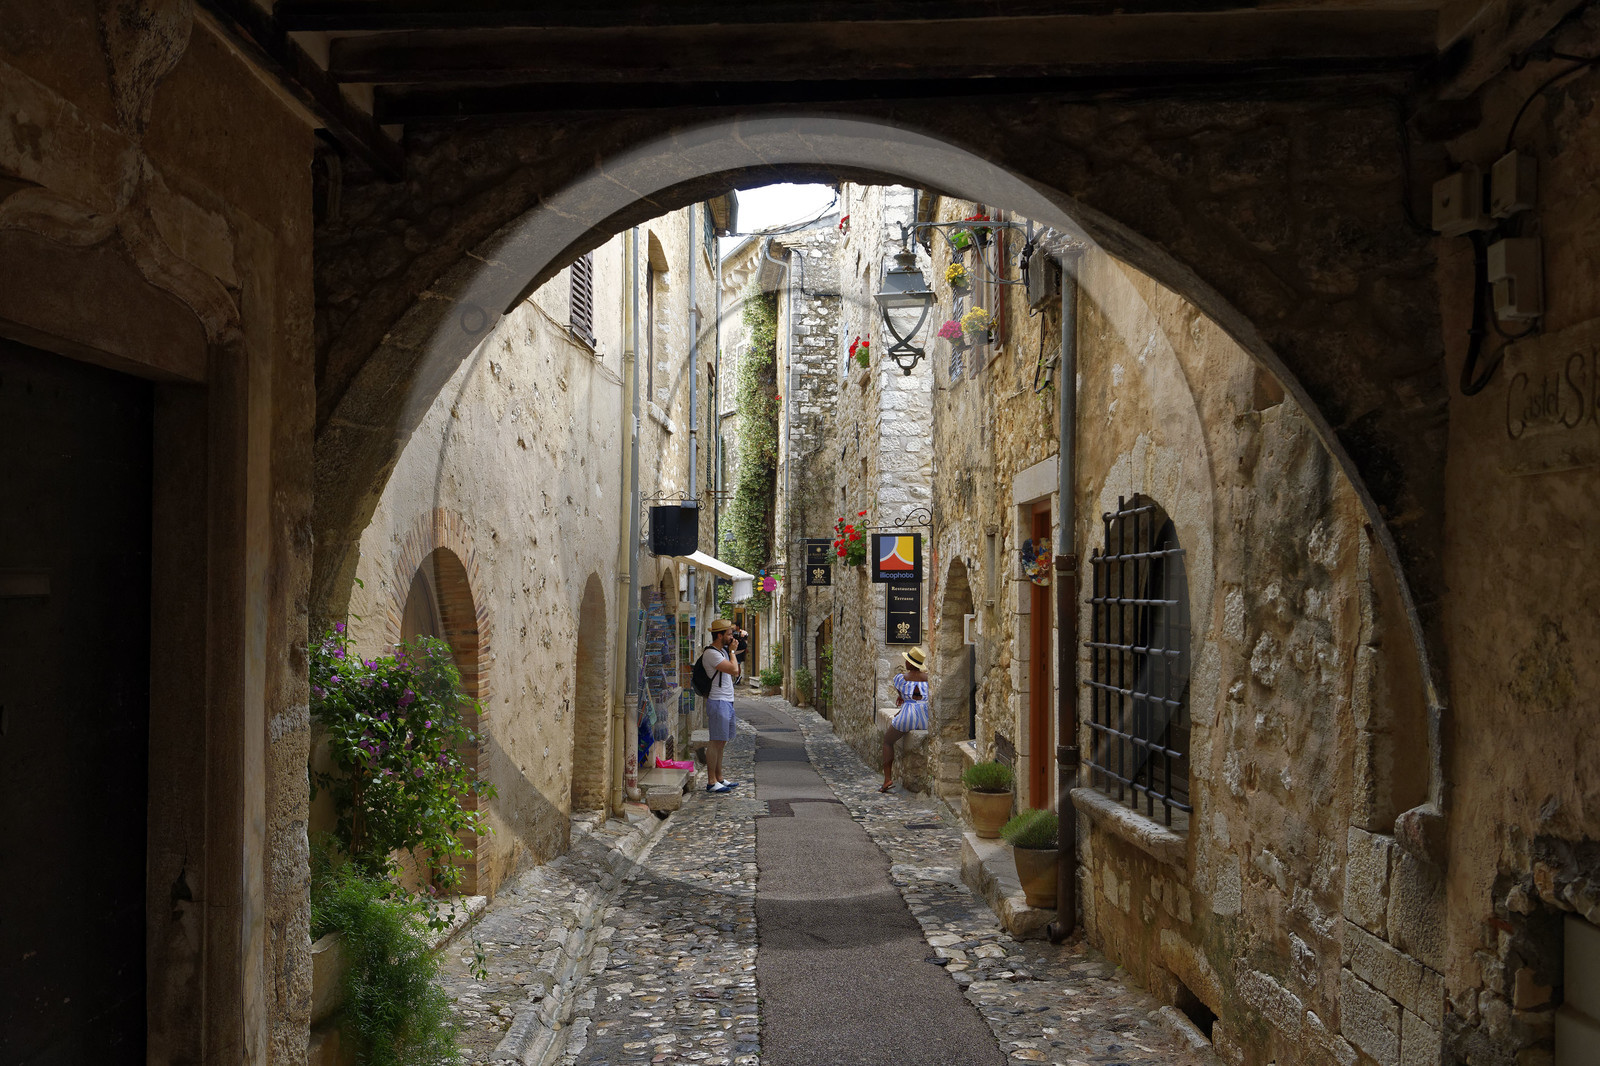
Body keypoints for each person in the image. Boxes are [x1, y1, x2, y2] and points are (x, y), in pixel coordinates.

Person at [700, 619, 744, 793]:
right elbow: (734, 670)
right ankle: (711, 781)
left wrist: (732, 651)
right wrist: (732, 652)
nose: (731, 637)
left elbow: (736, 670)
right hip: (718, 701)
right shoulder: (711, 654)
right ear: (719, 635)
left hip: (726, 701)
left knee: (722, 741)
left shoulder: (724, 652)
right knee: (715, 741)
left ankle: (719, 777)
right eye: (728, 634)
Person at [881, 645, 929, 793]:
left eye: (907, 660)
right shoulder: (929, 678)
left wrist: (902, 700)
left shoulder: (901, 678)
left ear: (909, 664)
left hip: (908, 714)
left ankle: (887, 779)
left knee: (887, 742)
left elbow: (903, 695)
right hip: (925, 716)